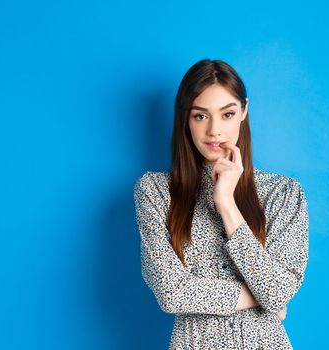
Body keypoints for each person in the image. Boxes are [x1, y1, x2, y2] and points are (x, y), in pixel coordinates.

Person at [133, 59, 310, 349]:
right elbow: (171, 293)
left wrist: (226, 202)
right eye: (200, 116)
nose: (214, 130)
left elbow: (278, 294)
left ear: (244, 111)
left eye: (227, 114)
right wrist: (260, 296)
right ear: (185, 119)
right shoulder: (155, 191)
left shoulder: (284, 193)